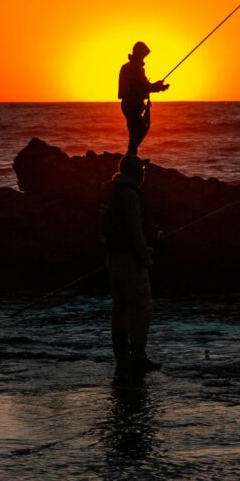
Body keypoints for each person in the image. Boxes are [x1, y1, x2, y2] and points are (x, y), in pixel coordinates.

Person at [103, 152, 156, 371]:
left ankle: (122, 356)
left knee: (121, 308)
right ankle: (138, 356)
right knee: (140, 308)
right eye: (142, 170)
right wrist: (145, 256)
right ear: (136, 172)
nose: (144, 174)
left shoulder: (113, 191)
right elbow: (134, 230)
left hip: (114, 258)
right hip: (129, 260)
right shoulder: (130, 194)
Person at [117, 41, 169, 153]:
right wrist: (157, 86)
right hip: (131, 105)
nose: (144, 59)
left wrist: (158, 87)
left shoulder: (134, 67)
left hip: (131, 104)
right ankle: (131, 157)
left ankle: (132, 155)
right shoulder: (132, 68)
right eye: (143, 55)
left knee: (136, 131)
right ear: (138, 54)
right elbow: (142, 86)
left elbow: (144, 86)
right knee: (139, 130)